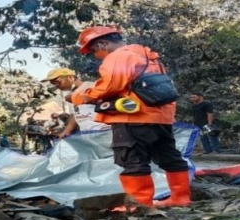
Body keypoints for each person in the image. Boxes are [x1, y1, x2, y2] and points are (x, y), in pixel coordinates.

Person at [71, 26, 191, 208]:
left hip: (133, 117)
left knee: (133, 160)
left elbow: (110, 85)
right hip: (161, 117)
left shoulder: (119, 56)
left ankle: (139, 205)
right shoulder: (149, 56)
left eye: (95, 50)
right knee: (169, 157)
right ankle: (181, 198)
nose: (96, 55)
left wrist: (81, 96)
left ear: (103, 43)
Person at [41, 68, 110, 138]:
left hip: (105, 131)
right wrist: (65, 132)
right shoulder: (71, 95)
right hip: (88, 134)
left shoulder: (92, 87)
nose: (57, 86)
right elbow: (75, 115)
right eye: (53, 84)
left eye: (57, 82)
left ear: (70, 78)